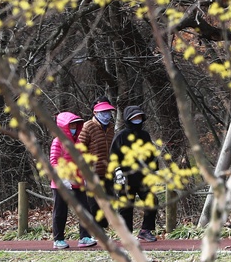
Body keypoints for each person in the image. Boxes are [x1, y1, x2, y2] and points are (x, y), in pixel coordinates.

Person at [110, 105, 158, 242]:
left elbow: (152, 155)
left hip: (143, 177)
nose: (137, 120)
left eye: (139, 117)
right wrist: (117, 171)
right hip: (125, 177)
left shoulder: (145, 135)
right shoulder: (121, 136)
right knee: (125, 206)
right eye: (134, 118)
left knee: (152, 201)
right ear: (127, 119)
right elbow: (113, 156)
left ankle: (145, 230)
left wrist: (155, 170)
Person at [50, 111, 98, 249]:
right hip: (61, 184)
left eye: (76, 125)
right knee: (60, 211)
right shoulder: (57, 142)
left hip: (77, 183)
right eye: (71, 125)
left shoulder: (79, 143)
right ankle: (58, 239)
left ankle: (85, 237)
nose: (74, 128)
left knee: (85, 209)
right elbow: (53, 162)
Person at [78, 96, 116, 229]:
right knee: (94, 204)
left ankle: (102, 229)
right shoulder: (88, 126)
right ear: (95, 112)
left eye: (108, 112)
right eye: (103, 112)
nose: (106, 115)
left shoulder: (111, 128)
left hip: (108, 172)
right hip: (92, 173)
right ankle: (94, 232)